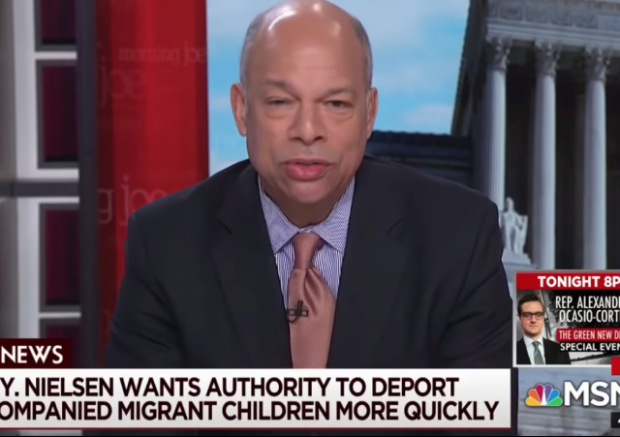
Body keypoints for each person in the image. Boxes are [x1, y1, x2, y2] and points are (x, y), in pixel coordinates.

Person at [95, 0, 515, 435]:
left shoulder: (460, 235)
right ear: (241, 109)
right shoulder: (166, 244)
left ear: (369, 113)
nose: (308, 130)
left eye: (335, 103)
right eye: (280, 101)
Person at [516, 293, 571, 365]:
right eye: (527, 315)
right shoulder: (509, 352)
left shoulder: (561, 351)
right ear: (520, 318)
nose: (533, 320)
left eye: (538, 314)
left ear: (543, 317)